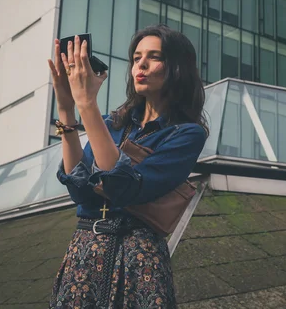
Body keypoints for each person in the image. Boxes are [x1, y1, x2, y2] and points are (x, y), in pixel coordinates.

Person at [48, 24, 208, 308]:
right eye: (136, 58)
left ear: (178, 68)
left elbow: (122, 188)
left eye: (154, 57)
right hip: (85, 251)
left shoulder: (186, 134)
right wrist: (67, 110)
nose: (141, 65)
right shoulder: (111, 124)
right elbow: (80, 189)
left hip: (139, 259)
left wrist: (87, 105)